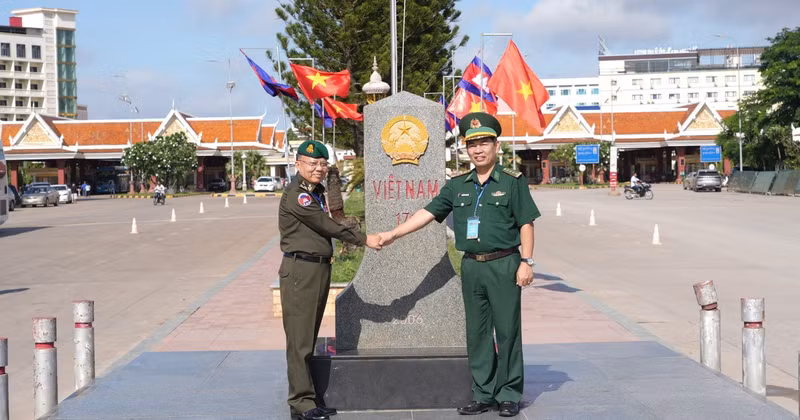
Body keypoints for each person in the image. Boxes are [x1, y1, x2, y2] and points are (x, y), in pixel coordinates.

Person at [378, 112, 540, 418]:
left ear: (496, 146)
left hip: (504, 263)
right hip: (472, 266)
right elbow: (427, 213)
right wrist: (393, 234)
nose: (478, 150)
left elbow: (526, 223)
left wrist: (526, 262)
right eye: (472, 144)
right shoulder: (457, 186)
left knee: (507, 331)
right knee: (477, 333)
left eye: (484, 143)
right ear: (466, 149)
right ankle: (484, 394)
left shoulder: (512, 182)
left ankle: (508, 394)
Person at [278, 139, 382, 420]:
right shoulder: (298, 195)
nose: (318, 168)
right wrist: (365, 239)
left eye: (323, 164)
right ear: (298, 164)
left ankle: (307, 399)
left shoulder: (314, 193)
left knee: (307, 337)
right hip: (301, 271)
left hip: (316, 269)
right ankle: (301, 403)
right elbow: (326, 225)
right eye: (312, 163)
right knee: (300, 341)